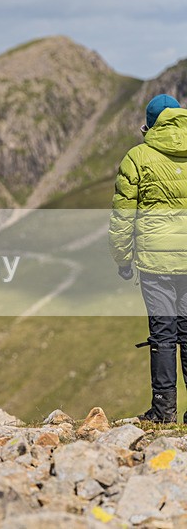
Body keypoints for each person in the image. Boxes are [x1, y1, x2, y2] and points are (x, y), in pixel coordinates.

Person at [109, 93, 187, 424]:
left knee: (164, 334)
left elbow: (123, 215)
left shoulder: (137, 158)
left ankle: (163, 411)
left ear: (150, 124)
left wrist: (123, 259)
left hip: (156, 264)